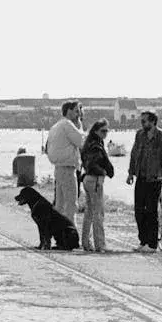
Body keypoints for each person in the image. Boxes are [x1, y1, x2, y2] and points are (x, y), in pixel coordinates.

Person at [127, 110, 162, 253]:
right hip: (141, 177)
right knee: (139, 211)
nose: (142, 124)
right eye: (141, 121)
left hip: (155, 179)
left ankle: (152, 244)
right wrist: (130, 173)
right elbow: (134, 155)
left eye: (144, 121)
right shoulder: (139, 135)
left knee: (151, 212)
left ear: (153, 122)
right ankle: (143, 241)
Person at [45, 101, 84, 223]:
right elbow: (81, 141)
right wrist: (79, 125)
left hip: (58, 168)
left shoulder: (56, 126)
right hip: (67, 168)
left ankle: (59, 236)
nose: (79, 114)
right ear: (69, 111)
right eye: (77, 111)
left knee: (60, 205)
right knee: (71, 205)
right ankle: (70, 237)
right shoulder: (68, 124)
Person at [79, 119, 115, 253]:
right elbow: (92, 165)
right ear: (96, 131)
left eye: (107, 130)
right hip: (94, 180)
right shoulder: (95, 146)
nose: (105, 133)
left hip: (88, 179)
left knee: (89, 212)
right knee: (98, 213)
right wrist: (103, 173)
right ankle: (100, 245)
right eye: (103, 131)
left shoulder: (89, 143)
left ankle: (86, 243)